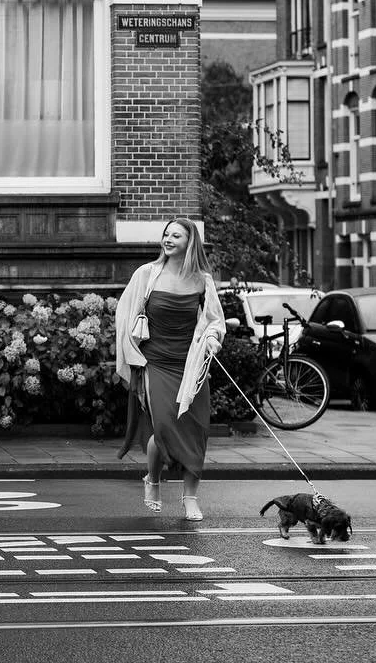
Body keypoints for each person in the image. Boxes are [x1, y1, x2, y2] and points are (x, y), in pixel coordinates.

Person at [114, 217, 226, 522]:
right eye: (166, 234)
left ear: (190, 243)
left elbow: (215, 320)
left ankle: (190, 497)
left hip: (191, 366)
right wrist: (132, 356)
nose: (168, 239)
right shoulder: (147, 274)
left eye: (176, 235)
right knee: (163, 427)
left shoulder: (202, 280)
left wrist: (214, 338)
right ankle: (153, 479)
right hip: (155, 363)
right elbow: (124, 315)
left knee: (196, 429)